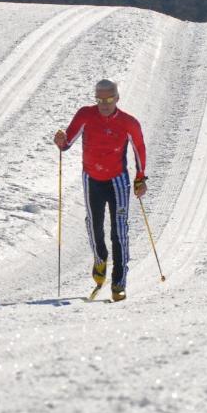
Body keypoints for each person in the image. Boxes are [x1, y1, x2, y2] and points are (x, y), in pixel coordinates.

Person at [53, 79, 147, 301]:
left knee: (119, 231)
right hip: (92, 179)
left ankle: (118, 283)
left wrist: (140, 178)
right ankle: (100, 258)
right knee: (94, 225)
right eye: (100, 99)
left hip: (117, 181)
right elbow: (67, 143)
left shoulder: (128, 122)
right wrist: (60, 140)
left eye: (109, 99)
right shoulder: (85, 115)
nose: (104, 104)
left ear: (117, 98)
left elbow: (139, 148)